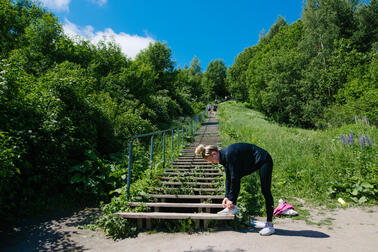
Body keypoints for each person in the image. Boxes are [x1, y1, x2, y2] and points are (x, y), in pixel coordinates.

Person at [195, 143, 275, 236]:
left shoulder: (229, 155)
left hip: (264, 160)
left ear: (214, 153)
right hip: (250, 163)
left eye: (211, 160)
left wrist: (231, 199)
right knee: (233, 178)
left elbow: (234, 178)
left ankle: (270, 225)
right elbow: (228, 179)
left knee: (265, 191)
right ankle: (233, 207)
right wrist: (226, 197)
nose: (213, 163)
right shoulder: (224, 158)